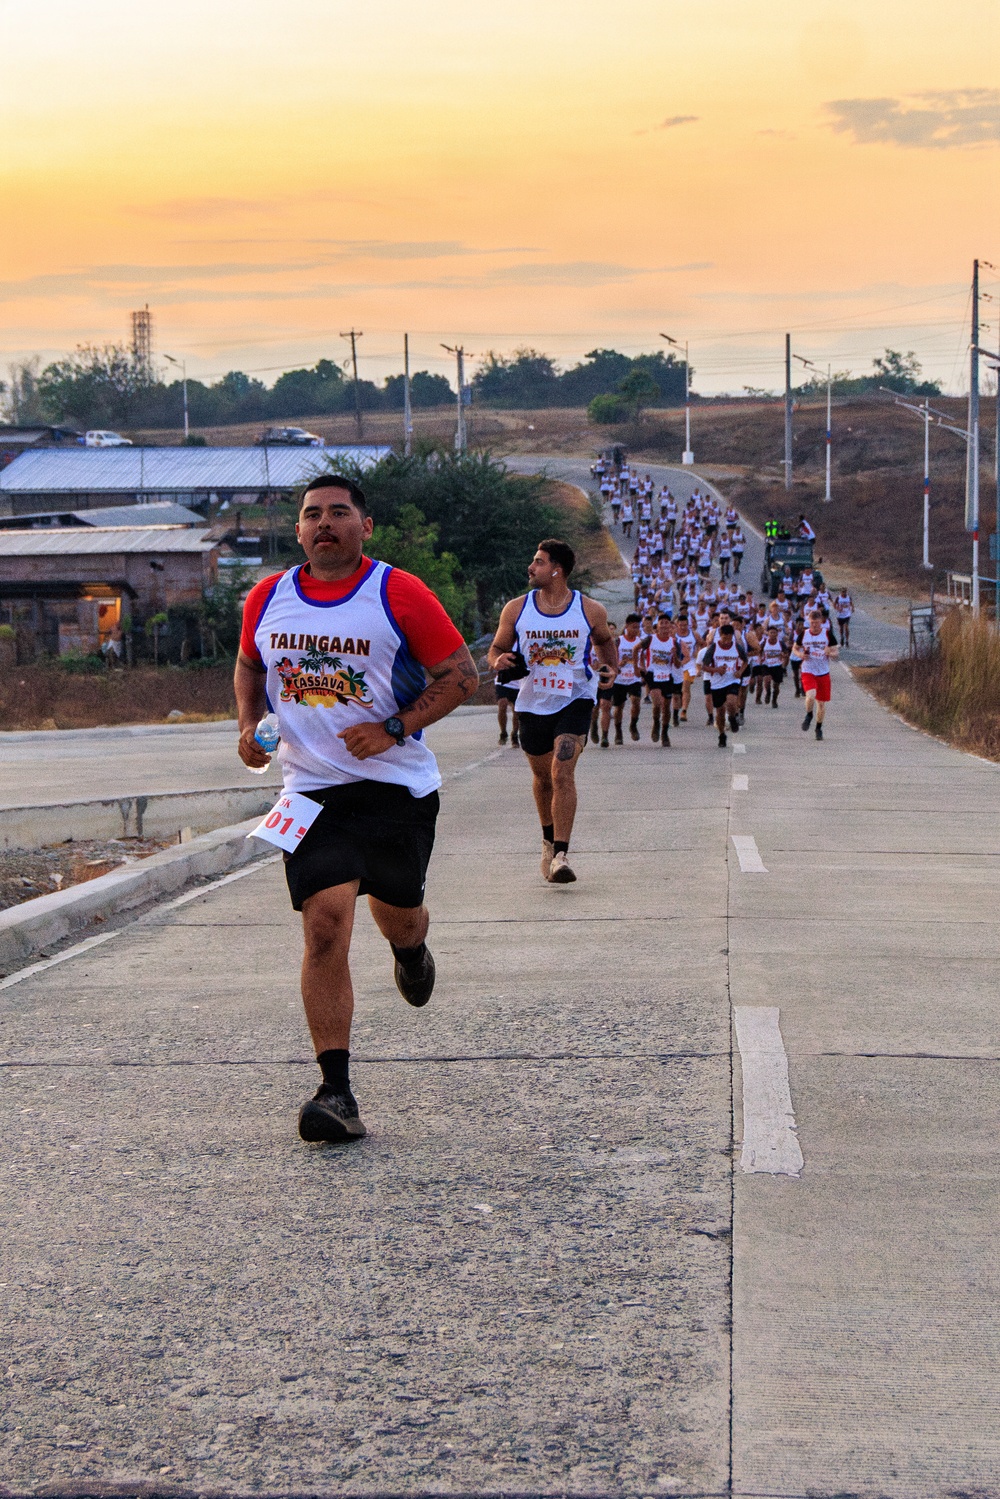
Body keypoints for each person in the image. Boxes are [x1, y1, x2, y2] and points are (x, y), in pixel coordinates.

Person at [235, 474, 478, 1145]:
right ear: (299, 529)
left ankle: (412, 948)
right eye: (312, 514)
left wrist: (395, 728)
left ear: (364, 526)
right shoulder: (269, 596)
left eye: (339, 513)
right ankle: (335, 1090)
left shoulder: (397, 591)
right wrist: (249, 725)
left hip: (396, 786)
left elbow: (461, 673)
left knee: (398, 911)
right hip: (310, 792)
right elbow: (250, 665)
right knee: (325, 922)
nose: (324, 525)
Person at [489, 538, 617, 884]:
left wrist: (609, 669)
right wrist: (498, 660)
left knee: (562, 772)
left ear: (557, 570)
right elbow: (497, 648)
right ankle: (547, 839)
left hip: (575, 697)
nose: (531, 568)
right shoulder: (517, 608)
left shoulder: (588, 609)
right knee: (543, 779)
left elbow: (604, 641)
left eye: (539, 561)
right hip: (532, 701)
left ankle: (561, 854)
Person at [701, 622, 747, 747]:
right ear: (719, 636)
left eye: (729, 638)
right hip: (717, 683)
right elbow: (704, 666)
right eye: (724, 638)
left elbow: (745, 661)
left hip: (732, 680)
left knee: (732, 702)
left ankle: (732, 718)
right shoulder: (714, 648)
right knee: (720, 713)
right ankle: (721, 734)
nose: (727, 641)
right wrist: (716, 670)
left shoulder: (737, 647)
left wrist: (740, 672)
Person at [799, 609, 838, 740]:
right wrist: (800, 655)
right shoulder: (804, 634)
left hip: (823, 672)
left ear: (821, 622)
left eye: (817, 623)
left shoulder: (827, 634)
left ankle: (818, 728)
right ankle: (809, 715)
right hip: (808, 670)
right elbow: (794, 648)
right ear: (809, 621)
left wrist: (829, 653)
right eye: (812, 622)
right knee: (810, 695)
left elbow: (836, 653)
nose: (814, 625)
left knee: (821, 704)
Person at [494, 675, 520, 748]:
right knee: (502, 705)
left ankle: (514, 735)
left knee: (517, 711)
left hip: (518, 685)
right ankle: (503, 733)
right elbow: (494, 664)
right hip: (502, 682)